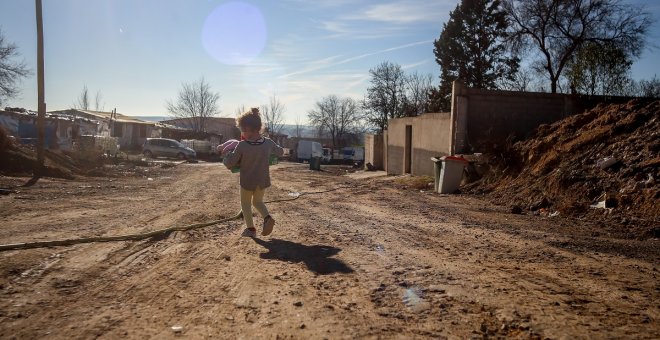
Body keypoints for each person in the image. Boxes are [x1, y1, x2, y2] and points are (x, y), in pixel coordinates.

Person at [222, 108, 284, 237]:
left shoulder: (242, 146)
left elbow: (230, 163)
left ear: (248, 129)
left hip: (247, 181)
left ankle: (251, 229)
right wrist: (272, 150)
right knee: (257, 202)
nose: (242, 133)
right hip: (262, 180)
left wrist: (226, 154)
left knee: (245, 204)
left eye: (243, 130)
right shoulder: (267, 142)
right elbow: (280, 152)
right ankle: (267, 218)